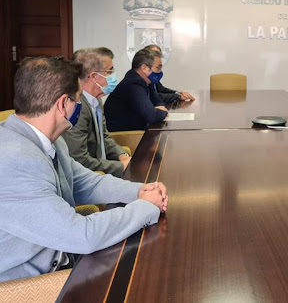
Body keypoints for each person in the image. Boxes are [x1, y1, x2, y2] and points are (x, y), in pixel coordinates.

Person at [0, 57, 168, 282]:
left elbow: (84, 182)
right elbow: (82, 236)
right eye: (78, 99)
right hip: (32, 281)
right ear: (62, 104)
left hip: (63, 252)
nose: (81, 106)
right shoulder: (14, 159)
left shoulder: (48, 139)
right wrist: (146, 208)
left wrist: (139, 191)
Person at [62, 48, 131, 176]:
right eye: (109, 71)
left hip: (101, 172)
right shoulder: (77, 107)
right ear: (94, 76)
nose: (113, 75)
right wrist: (120, 166)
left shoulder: (96, 99)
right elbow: (79, 160)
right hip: (86, 179)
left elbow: (103, 136)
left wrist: (122, 155)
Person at [104, 48, 169, 131]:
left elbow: (156, 99)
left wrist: (160, 107)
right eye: (158, 68)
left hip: (137, 130)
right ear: (144, 68)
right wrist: (164, 112)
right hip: (125, 136)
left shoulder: (144, 81)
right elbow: (152, 116)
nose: (160, 71)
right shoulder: (133, 84)